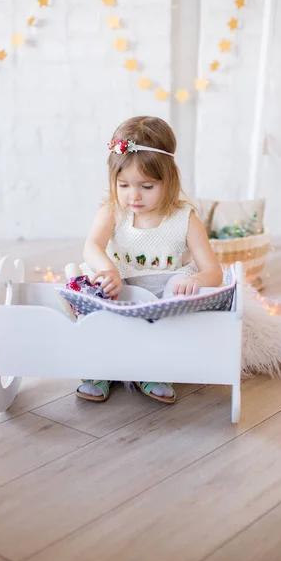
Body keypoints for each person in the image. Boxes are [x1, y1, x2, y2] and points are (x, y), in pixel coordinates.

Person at [77, 115, 223, 404]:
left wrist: (194, 280)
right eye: (123, 185)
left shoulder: (185, 218)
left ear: (168, 180)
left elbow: (213, 271)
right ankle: (101, 367)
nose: (134, 197)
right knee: (99, 304)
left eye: (146, 187)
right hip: (120, 287)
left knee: (172, 306)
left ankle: (153, 367)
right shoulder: (112, 211)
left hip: (158, 294)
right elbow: (92, 245)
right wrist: (108, 270)